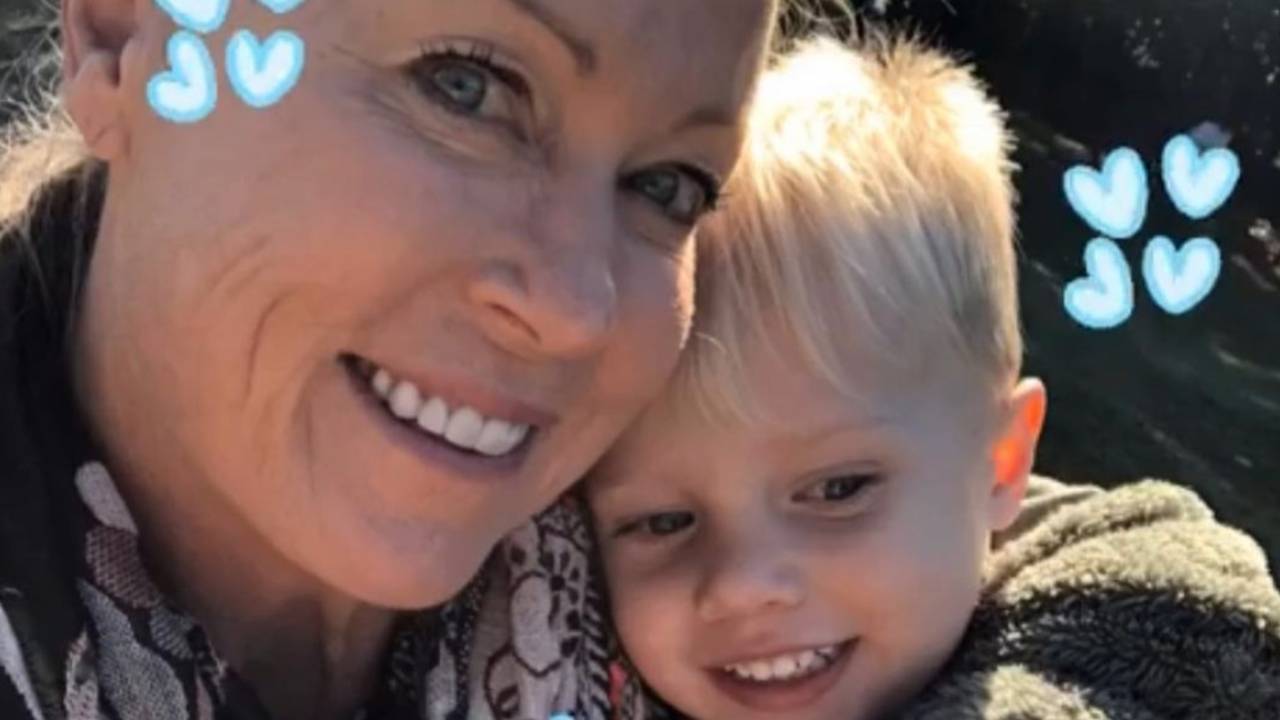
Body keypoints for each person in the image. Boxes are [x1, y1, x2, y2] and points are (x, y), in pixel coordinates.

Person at [0, 0, 780, 718]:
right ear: (120, 34)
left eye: (668, 187)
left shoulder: (718, 607)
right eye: (465, 86)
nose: (576, 312)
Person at [585, 34, 1280, 719]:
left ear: (1001, 462)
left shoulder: (1136, 637)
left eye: (837, 489)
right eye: (662, 522)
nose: (741, 586)